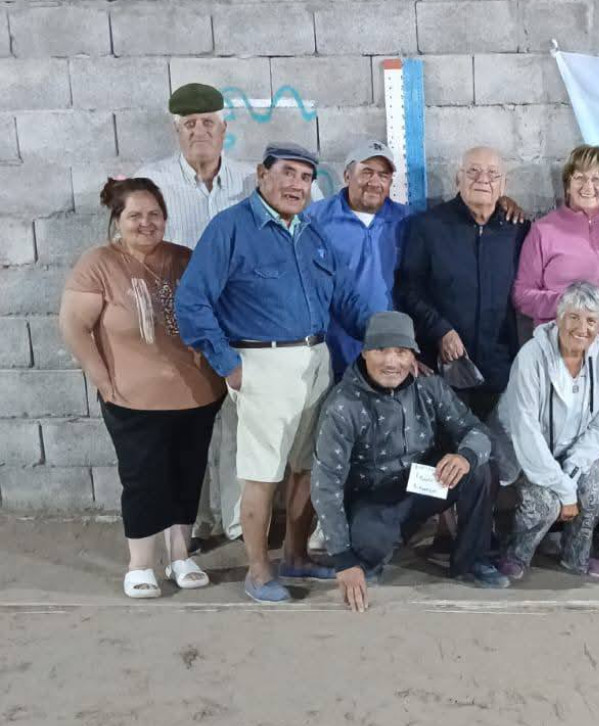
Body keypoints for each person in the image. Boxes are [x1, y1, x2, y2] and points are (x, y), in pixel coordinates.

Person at [175, 142, 371, 603]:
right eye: (287, 173)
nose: (296, 185)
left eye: (305, 178)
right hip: (262, 364)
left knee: (307, 467)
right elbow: (191, 302)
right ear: (262, 176)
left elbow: (343, 300)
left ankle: (297, 555)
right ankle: (259, 571)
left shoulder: (311, 233)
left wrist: (390, 340)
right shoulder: (230, 229)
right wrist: (229, 364)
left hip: (315, 360)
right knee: (262, 474)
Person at [135, 83, 324, 548]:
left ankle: (240, 526)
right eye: (189, 124)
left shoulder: (253, 179)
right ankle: (191, 527)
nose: (200, 131)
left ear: (224, 128)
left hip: (247, 331)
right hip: (179, 332)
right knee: (186, 434)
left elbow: (305, 232)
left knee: (240, 435)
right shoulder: (151, 182)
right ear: (175, 130)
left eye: (208, 123)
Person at [59, 177, 226, 598]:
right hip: (132, 398)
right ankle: (140, 564)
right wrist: (101, 379)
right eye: (135, 215)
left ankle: (180, 555)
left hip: (196, 395)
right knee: (144, 478)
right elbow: (75, 326)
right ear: (117, 220)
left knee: (188, 476)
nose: (146, 223)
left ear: (166, 218)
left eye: (154, 214)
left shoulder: (185, 259)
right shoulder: (98, 263)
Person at [311, 311, 509, 611]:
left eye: (401, 352)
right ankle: (373, 552)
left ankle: (472, 561)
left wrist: (465, 457)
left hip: (424, 484)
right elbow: (325, 484)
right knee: (367, 544)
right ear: (364, 353)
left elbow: (476, 430)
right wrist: (343, 560)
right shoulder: (342, 406)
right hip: (373, 498)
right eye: (381, 350)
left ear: (412, 356)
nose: (392, 362)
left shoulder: (430, 386)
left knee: (479, 468)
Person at [511, 144, 599, 551]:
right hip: (557, 362)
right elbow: (522, 295)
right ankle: (550, 525)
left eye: (598, 179)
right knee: (553, 443)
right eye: (580, 177)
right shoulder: (544, 230)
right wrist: (573, 303)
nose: (589, 185)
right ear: (567, 182)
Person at [493, 282, 599, 580]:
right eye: (574, 317)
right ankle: (515, 554)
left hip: (574, 447)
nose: (582, 328)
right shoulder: (531, 356)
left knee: (594, 497)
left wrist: (574, 469)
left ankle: (576, 557)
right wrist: (564, 489)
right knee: (545, 505)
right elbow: (526, 431)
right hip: (525, 446)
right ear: (559, 317)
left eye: (591, 321)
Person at [395, 146, 529, 420]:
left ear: (504, 184)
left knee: (496, 455)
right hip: (442, 369)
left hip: (499, 370)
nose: (483, 179)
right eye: (473, 171)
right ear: (458, 179)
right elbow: (408, 289)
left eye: (493, 174)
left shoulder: (518, 230)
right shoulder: (428, 226)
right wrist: (440, 329)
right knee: (443, 455)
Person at [306, 140, 411, 381]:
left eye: (383, 175)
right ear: (347, 175)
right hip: (333, 351)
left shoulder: (407, 221)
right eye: (367, 172)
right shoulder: (315, 219)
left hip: (390, 353)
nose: (375, 182)